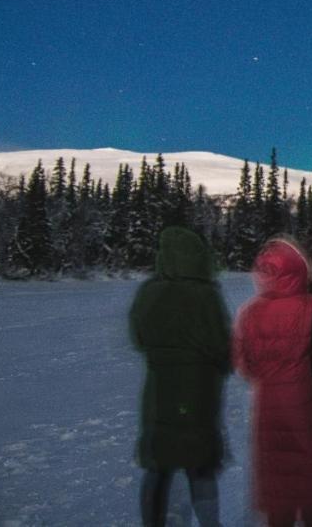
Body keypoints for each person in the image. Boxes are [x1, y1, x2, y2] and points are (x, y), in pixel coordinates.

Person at [129, 225, 231, 527]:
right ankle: (210, 522)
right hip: (200, 391)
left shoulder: (150, 291)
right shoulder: (206, 295)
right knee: (200, 463)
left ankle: (154, 521)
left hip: (160, 390)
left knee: (159, 465)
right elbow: (221, 345)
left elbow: (138, 337)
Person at [233, 236, 312, 526]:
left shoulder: (250, 312)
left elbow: (244, 364)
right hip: (304, 401)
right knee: (309, 468)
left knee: (276, 475)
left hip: (267, 404)